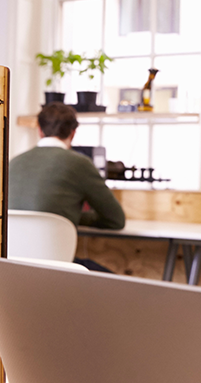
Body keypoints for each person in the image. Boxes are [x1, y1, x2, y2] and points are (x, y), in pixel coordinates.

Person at [9, 103, 125, 265]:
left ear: (40, 130)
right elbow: (116, 220)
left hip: (11, 265)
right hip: (56, 266)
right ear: (73, 133)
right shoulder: (79, 163)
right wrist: (72, 215)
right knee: (115, 280)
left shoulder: (13, 163)